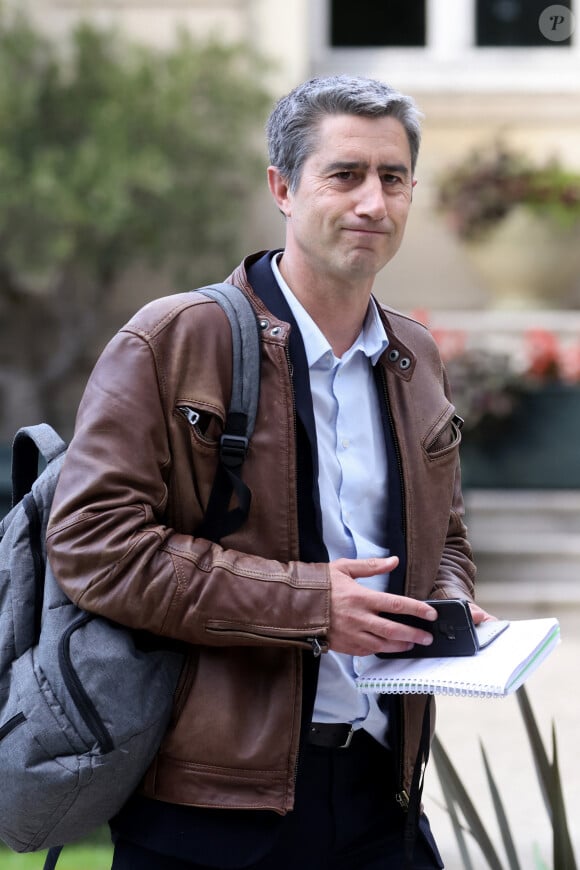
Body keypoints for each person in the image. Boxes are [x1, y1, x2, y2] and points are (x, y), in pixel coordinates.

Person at [47, 74, 491, 870]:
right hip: (209, 810)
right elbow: (94, 545)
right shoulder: (175, 339)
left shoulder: (414, 356)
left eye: (393, 178)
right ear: (283, 188)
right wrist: (309, 604)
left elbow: (447, 536)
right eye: (345, 174)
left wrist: (447, 608)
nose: (373, 202)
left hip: (380, 795)